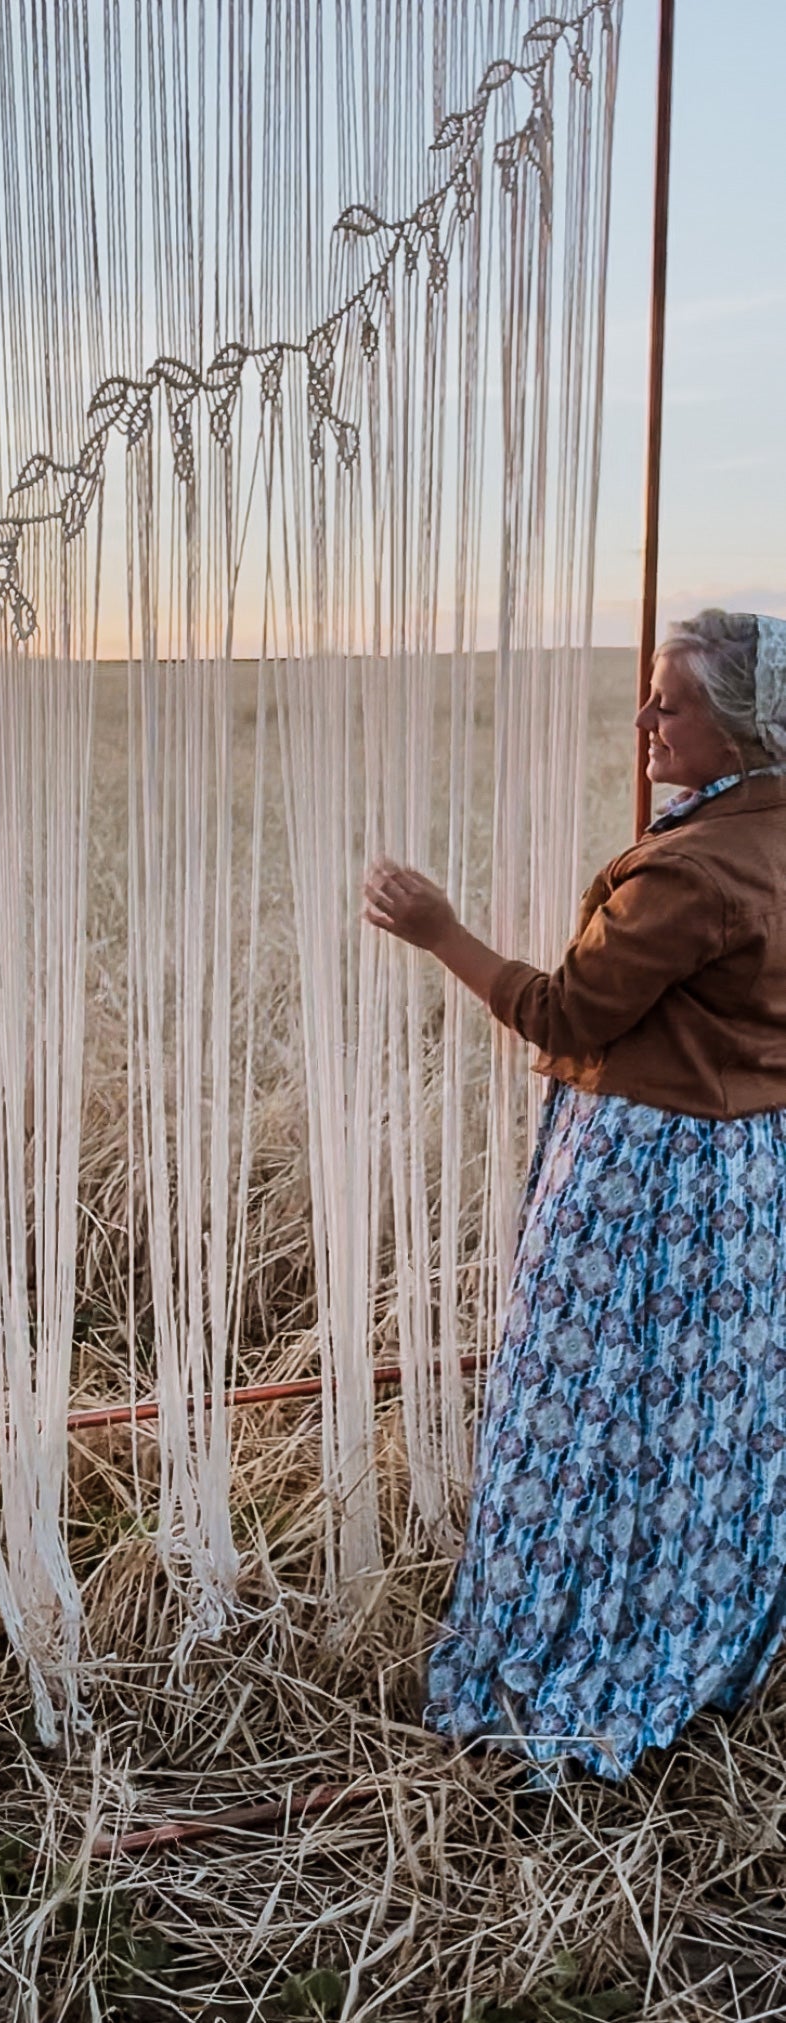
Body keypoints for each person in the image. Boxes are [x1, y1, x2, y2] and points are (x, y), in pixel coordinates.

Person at [363, 609, 786, 1782]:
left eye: (672, 702)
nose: (645, 720)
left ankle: (575, 1640)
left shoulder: (695, 870)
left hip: (647, 1179)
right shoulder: (766, 832)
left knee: (586, 1405)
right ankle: (690, 1624)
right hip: (748, 1178)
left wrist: (439, 931)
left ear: (744, 722)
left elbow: (561, 1015)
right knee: (695, 1420)